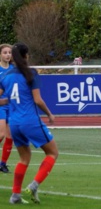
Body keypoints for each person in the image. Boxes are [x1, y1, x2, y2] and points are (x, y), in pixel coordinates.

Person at [0, 42, 58, 204]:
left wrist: (5, 102)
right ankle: (34, 185)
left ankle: (15, 195)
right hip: (30, 121)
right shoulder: (31, 73)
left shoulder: (6, 76)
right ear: (26, 55)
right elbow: (38, 100)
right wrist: (49, 114)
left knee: (24, 158)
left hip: (15, 123)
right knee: (52, 152)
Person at [0, 44, 14, 173]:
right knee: (2, 134)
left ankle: (2, 164)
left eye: (9, 52)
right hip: (0, 106)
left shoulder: (13, 69)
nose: (8, 55)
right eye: (5, 52)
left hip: (11, 105)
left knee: (10, 136)